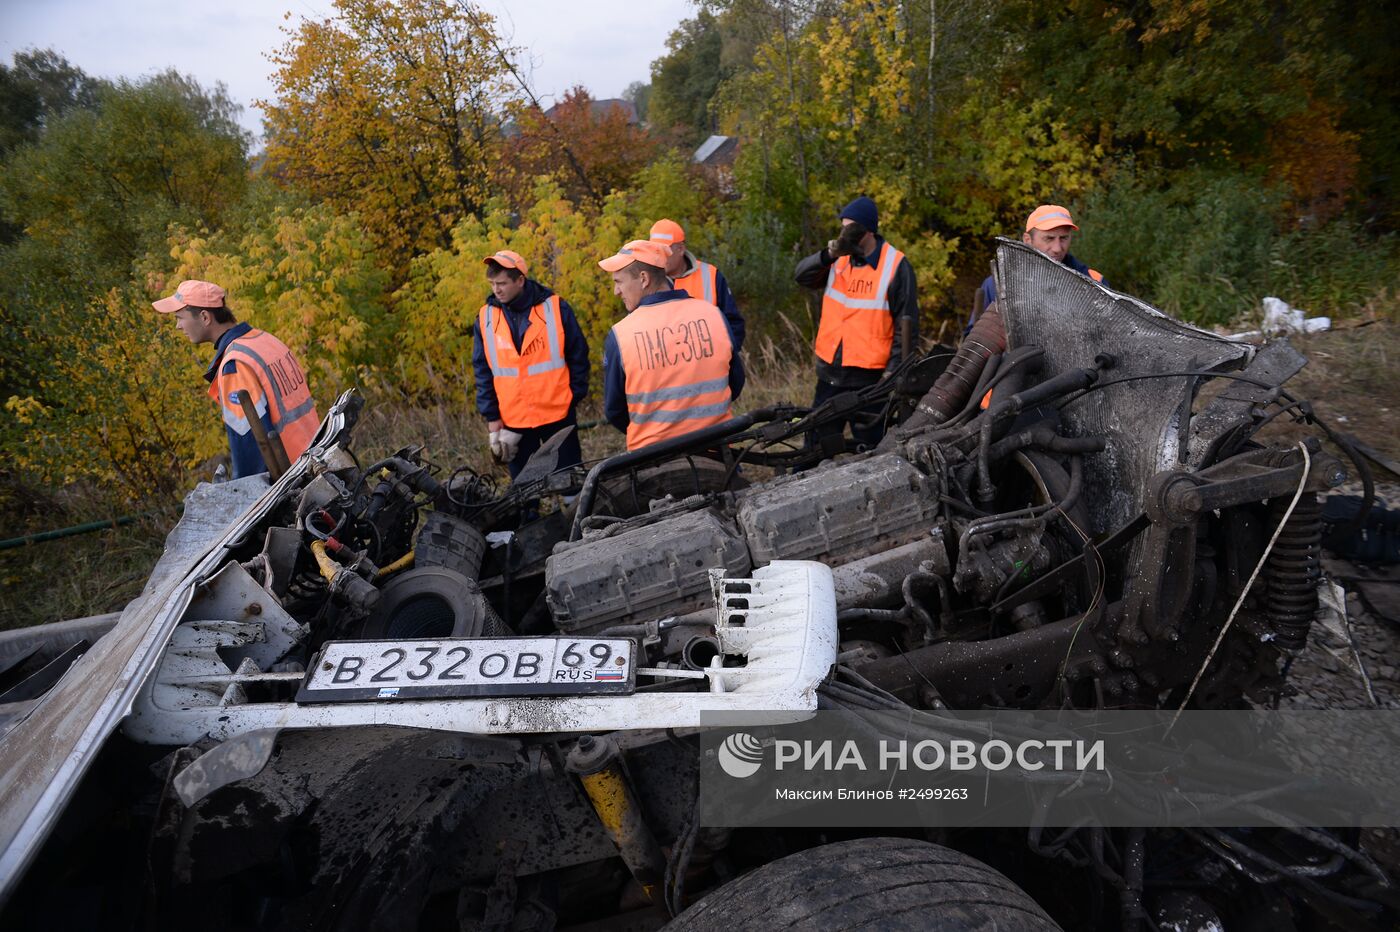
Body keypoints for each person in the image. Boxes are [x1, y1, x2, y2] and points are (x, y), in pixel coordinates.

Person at [153, 279, 319, 479]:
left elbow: (250, 451)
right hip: (315, 461)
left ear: (205, 317)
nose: (178, 326)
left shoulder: (235, 364)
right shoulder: (265, 340)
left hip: (294, 480)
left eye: (180, 317)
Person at [794, 195, 918, 447]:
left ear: (867, 231)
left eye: (850, 228)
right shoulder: (838, 259)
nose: (844, 233)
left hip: (870, 382)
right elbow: (801, 277)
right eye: (842, 227)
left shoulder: (895, 265)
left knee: (873, 449)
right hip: (830, 374)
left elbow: (906, 327)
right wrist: (828, 254)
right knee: (815, 448)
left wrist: (893, 374)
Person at [599, 240, 744, 451]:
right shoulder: (714, 315)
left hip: (653, 461)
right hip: (719, 451)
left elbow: (615, 411)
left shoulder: (621, 335)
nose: (616, 291)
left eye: (619, 282)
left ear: (643, 279)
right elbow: (735, 383)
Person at [471, 250, 590, 479]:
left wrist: (573, 395)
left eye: (502, 283)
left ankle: (577, 515)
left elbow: (579, 354)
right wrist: (492, 417)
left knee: (570, 480)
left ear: (520, 280)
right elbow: (482, 370)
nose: (496, 289)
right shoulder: (485, 317)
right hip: (513, 418)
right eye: (493, 284)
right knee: (525, 490)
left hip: (558, 414)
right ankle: (532, 516)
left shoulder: (555, 308)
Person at [970, 204, 1105, 330]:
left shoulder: (1094, 281)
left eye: (1063, 238)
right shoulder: (998, 284)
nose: (1057, 248)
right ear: (1028, 240)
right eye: (1049, 238)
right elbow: (972, 343)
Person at [648, 218, 745, 351]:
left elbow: (734, 324)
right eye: (654, 251)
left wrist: (723, 357)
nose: (658, 257)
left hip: (710, 366)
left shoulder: (711, 275)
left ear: (681, 249)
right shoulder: (647, 281)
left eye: (663, 250)